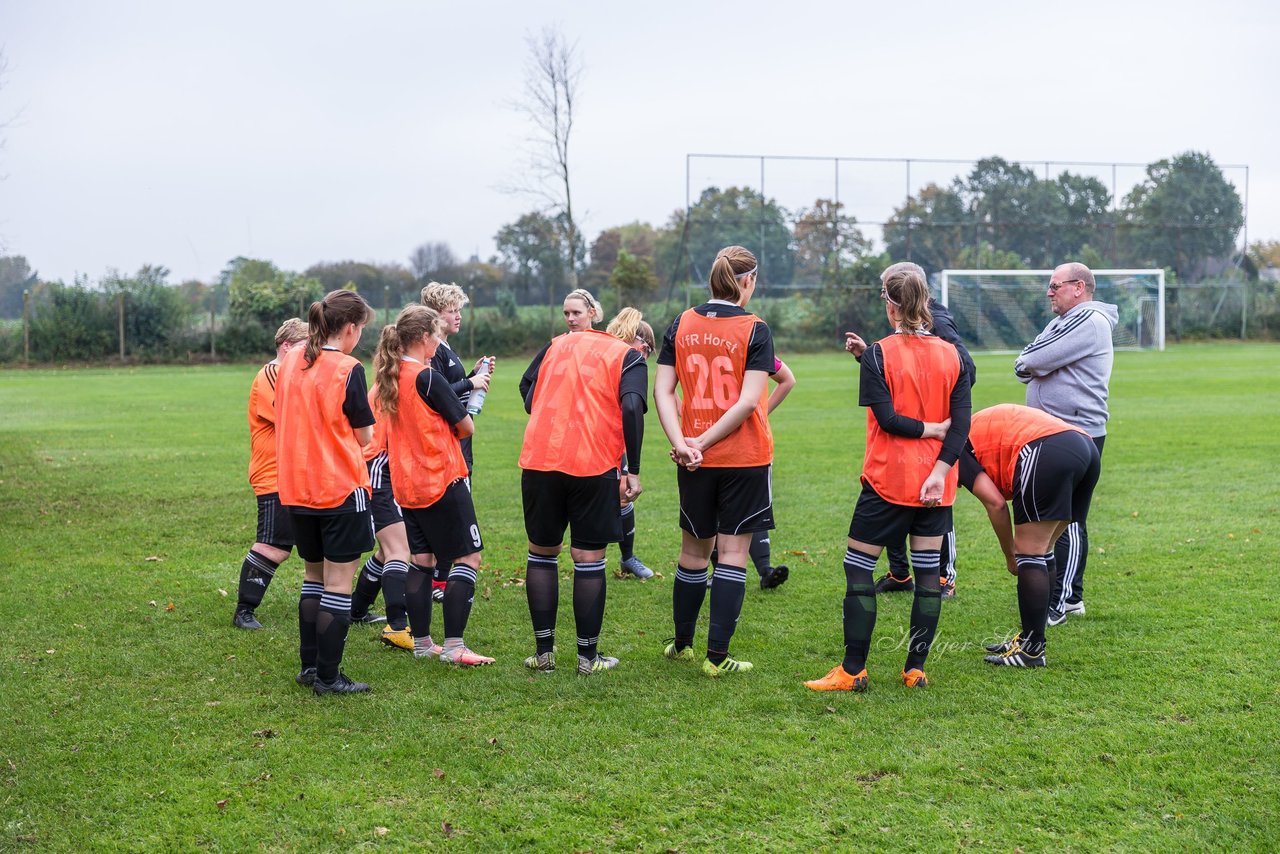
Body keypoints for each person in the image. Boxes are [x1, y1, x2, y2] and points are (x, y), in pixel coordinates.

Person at [804, 263, 970, 692]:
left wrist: (926, 430)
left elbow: (889, 420)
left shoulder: (880, 352)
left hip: (889, 481)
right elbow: (962, 425)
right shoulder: (952, 354)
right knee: (929, 574)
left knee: (858, 567)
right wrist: (938, 470)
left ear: (892, 306)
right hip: (937, 484)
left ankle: (852, 670)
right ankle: (915, 669)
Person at [654, 245, 776, 677]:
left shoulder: (681, 321)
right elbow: (747, 402)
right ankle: (717, 658)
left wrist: (684, 442)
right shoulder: (755, 328)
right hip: (741, 456)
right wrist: (701, 442)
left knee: (692, 551)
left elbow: (662, 391)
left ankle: (682, 644)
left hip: (693, 458)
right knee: (732, 553)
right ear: (748, 281)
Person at [518, 302, 648, 675]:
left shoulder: (558, 343)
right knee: (588, 558)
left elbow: (526, 384)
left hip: (540, 458)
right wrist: (633, 470)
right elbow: (631, 408)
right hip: (592, 462)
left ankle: (544, 654)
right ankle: (588, 659)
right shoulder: (626, 355)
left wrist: (541, 408)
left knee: (542, 554)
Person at [846, 262, 977, 600]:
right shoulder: (884, 348)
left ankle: (857, 654)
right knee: (919, 547)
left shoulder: (940, 328)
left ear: (896, 298)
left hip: (920, 453)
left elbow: (962, 370)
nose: (881, 294)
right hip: (924, 453)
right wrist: (869, 359)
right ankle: (902, 576)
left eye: (884, 288)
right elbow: (902, 374)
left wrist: (936, 414)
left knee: (859, 566)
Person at [373, 304, 494, 666]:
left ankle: (424, 643)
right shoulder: (426, 377)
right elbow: (465, 426)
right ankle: (455, 646)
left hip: (407, 483)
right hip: (440, 477)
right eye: (437, 336)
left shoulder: (390, 375)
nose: (439, 343)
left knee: (422, 561)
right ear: (425, 337)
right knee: (467, 556)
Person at [275, 290, 376, 695]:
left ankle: (309, 667)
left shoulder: (291, 360)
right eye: (361, 331)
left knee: (312, 577)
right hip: (337, 487)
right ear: (350, 328)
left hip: (295, 486)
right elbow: (365, 433)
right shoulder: (347, 368)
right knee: (338, 582)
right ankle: (329, 677)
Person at [959, 404, 1101, 667]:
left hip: (1046, 450)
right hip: (1084, 446)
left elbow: (996, 504)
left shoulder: (950, 447)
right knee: (1043, 550)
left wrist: (1009, 554)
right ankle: (1029, 640)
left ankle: (1032, 651)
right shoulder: (969, 427)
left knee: (1029, 553)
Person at [1015, 262, 1117, 626]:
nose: (1049, 292)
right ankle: (1061, 595)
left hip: (1075, 430)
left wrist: (1037, 363)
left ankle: (1066, 598)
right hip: (1052, 430)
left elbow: (1033, 358)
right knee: (1055, 516)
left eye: (1055, 285)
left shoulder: (1087, 319)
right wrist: (1035, 362)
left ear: (1078, 287)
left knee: (1067, 519)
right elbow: (1029, 358)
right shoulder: (1065, 320)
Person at [420, 280, 495, 601]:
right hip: (446, 442)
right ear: (436, 315)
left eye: (459, 311)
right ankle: (437, 583)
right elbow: (432, 392)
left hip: (457, 438)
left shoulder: (445, 348)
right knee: (451, 511)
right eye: (452, 311)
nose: (458, 317)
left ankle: (438, 580)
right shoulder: (432, 351)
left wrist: (472, 376)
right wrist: (471, 381)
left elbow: (450, 386)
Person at [233, 317, 309, 630]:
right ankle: (244, 611)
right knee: (273, 544)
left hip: (295, 472)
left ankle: (339, 604)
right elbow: (292, 418)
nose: (310, 353)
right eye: (305, 347)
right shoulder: (272, 374)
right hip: (273, 473)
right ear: (286, 345)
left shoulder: (291, 374)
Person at [347, 387, 415, 650]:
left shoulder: (393, 378)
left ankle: (357, 609)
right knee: (399, 549)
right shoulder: (397, 381)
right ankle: (397, 626)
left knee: (388, 551)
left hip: (386, 466)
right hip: (379, 467)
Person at [604, 306, 656, 580]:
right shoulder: (613, 356)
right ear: (639, 342)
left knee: (623, 493)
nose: (646, 356)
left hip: (615, 437)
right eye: (647, 349)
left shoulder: (625, 361)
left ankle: (627, 558)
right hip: (595, 439)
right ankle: (590, 560)